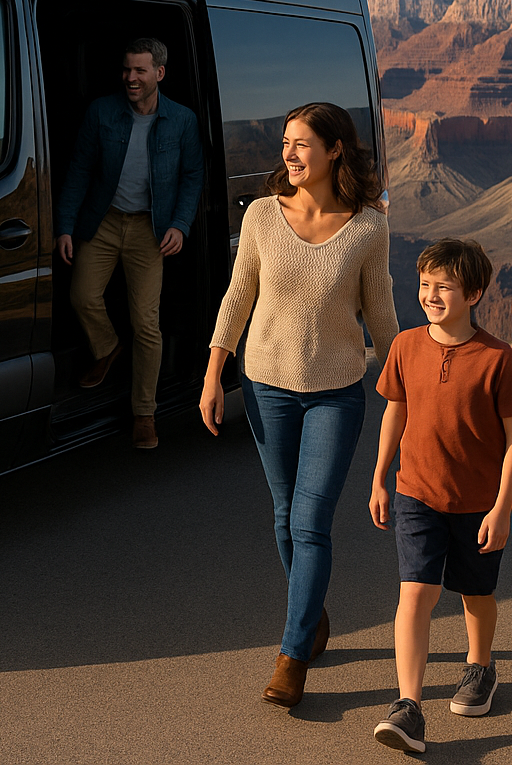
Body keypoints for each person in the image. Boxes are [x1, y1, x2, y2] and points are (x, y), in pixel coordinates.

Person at [200, 101, 398, 708]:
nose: (288, 153)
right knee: (284, 516)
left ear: (335, 150)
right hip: (265, 386)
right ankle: (312, 616)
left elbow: (382, 313)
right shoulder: (262, 215)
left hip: (336, 393)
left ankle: (292, 656)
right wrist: (214, 373)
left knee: (310, 523)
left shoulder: (367, 226)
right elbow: (238, 296)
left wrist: (408, 383)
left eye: (302, 143)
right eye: (285, 142)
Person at [369, 238, 512, 753]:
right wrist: (378, 476)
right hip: (416, 491)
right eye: (424, 285)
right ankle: (409, 706)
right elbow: (396, 409)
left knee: (475, 593)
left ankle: (480, 665)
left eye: (444, 286)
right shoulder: (405, 345)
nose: (431, 295)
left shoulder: (498, 359)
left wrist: (502, 508)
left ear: (474, 293)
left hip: (479, 501)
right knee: (414, 592)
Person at [55, 38, 204, 449]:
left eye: (139, 71)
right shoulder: (103, 112)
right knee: (82, 295)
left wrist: (180, 224)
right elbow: (79, 170)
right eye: (126, 70)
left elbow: (193, 176)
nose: (130, 78)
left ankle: (144, 414)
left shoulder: (182, 120)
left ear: (159, 73)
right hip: (103, 220)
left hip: (149, 229)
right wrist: (65, 225)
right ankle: (107, 347)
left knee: (146, 322)